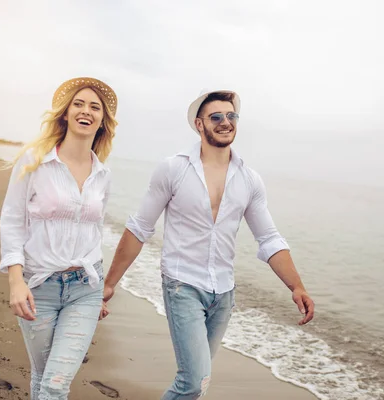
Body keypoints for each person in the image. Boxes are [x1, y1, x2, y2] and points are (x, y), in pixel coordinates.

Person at [101, 89, 314, 399]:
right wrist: (110, 283)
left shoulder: (249, 179)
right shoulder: (173, 169)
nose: (225, 122)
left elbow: (268, 238)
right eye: (216, 117)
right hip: (182, 286)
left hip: (223, 294)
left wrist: (297, 286)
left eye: (231, 116)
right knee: (194, 382)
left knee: (196, 382)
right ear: (199, 125)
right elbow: (139, 228)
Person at [0, 77, 118, 399]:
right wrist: (15, 282)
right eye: (78, 104)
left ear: (103, 120)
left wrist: (100, 286)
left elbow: (94, 230)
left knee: (55, 383)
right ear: (65, 114)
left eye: (95, 107)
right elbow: (12, 220)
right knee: (43, 375)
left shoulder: (102, 174)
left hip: (85, 289)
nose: (86, 111)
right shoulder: (35, 162)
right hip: (39, 286)